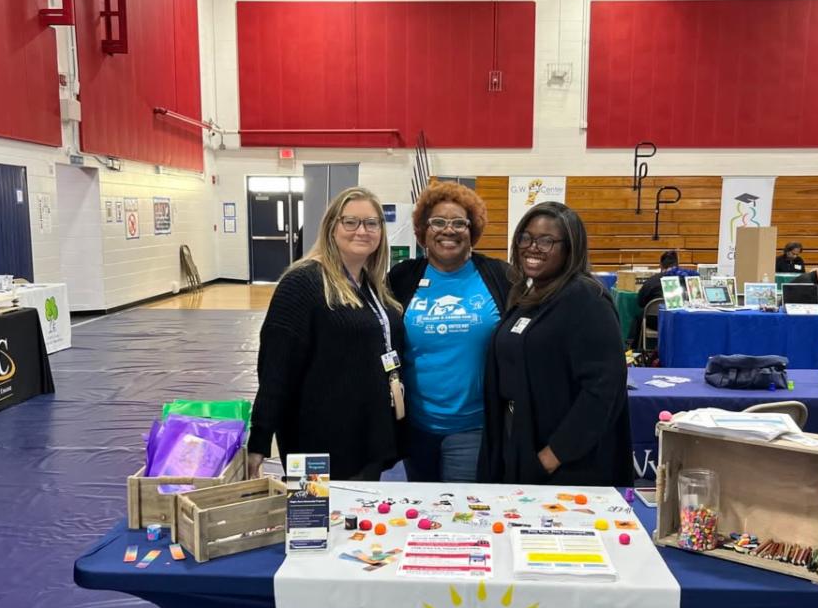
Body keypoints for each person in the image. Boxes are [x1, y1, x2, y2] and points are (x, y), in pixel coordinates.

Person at [247, 187, 403, 481]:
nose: (362, 231)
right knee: (313, 512)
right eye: (351, 222)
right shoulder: (302, 282)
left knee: (359, 510)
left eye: (371, 223)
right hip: (315, 442)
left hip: (366, 438)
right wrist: (259, 441)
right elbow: (276, 368)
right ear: (332, 227)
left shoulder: (372, 285)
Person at [479, 202, 634, 487]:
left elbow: (604, 388)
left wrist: (552, 456)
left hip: (565, 465)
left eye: (546, 241)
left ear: (570, 248)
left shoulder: (586, 299)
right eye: (526, 238)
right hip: (521, 441)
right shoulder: (531, 295)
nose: (532, 247)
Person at [388, 181, 510, 482]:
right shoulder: (403, 278)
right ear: (423, 230)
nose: (449, 230)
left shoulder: (500, 276)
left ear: (472, 230)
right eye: (438, 222)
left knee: (462, 507)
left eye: (459, 223)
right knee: (422, 507)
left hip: (474, 428)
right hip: (417, 427)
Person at [630, 251, 697, 348]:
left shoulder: (651, 281)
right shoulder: (687, 279)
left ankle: (635, 349)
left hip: (655, 321)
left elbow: (640, 302)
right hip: (679, 320)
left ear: (660, 266)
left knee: (639, 317)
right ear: (677, 264)